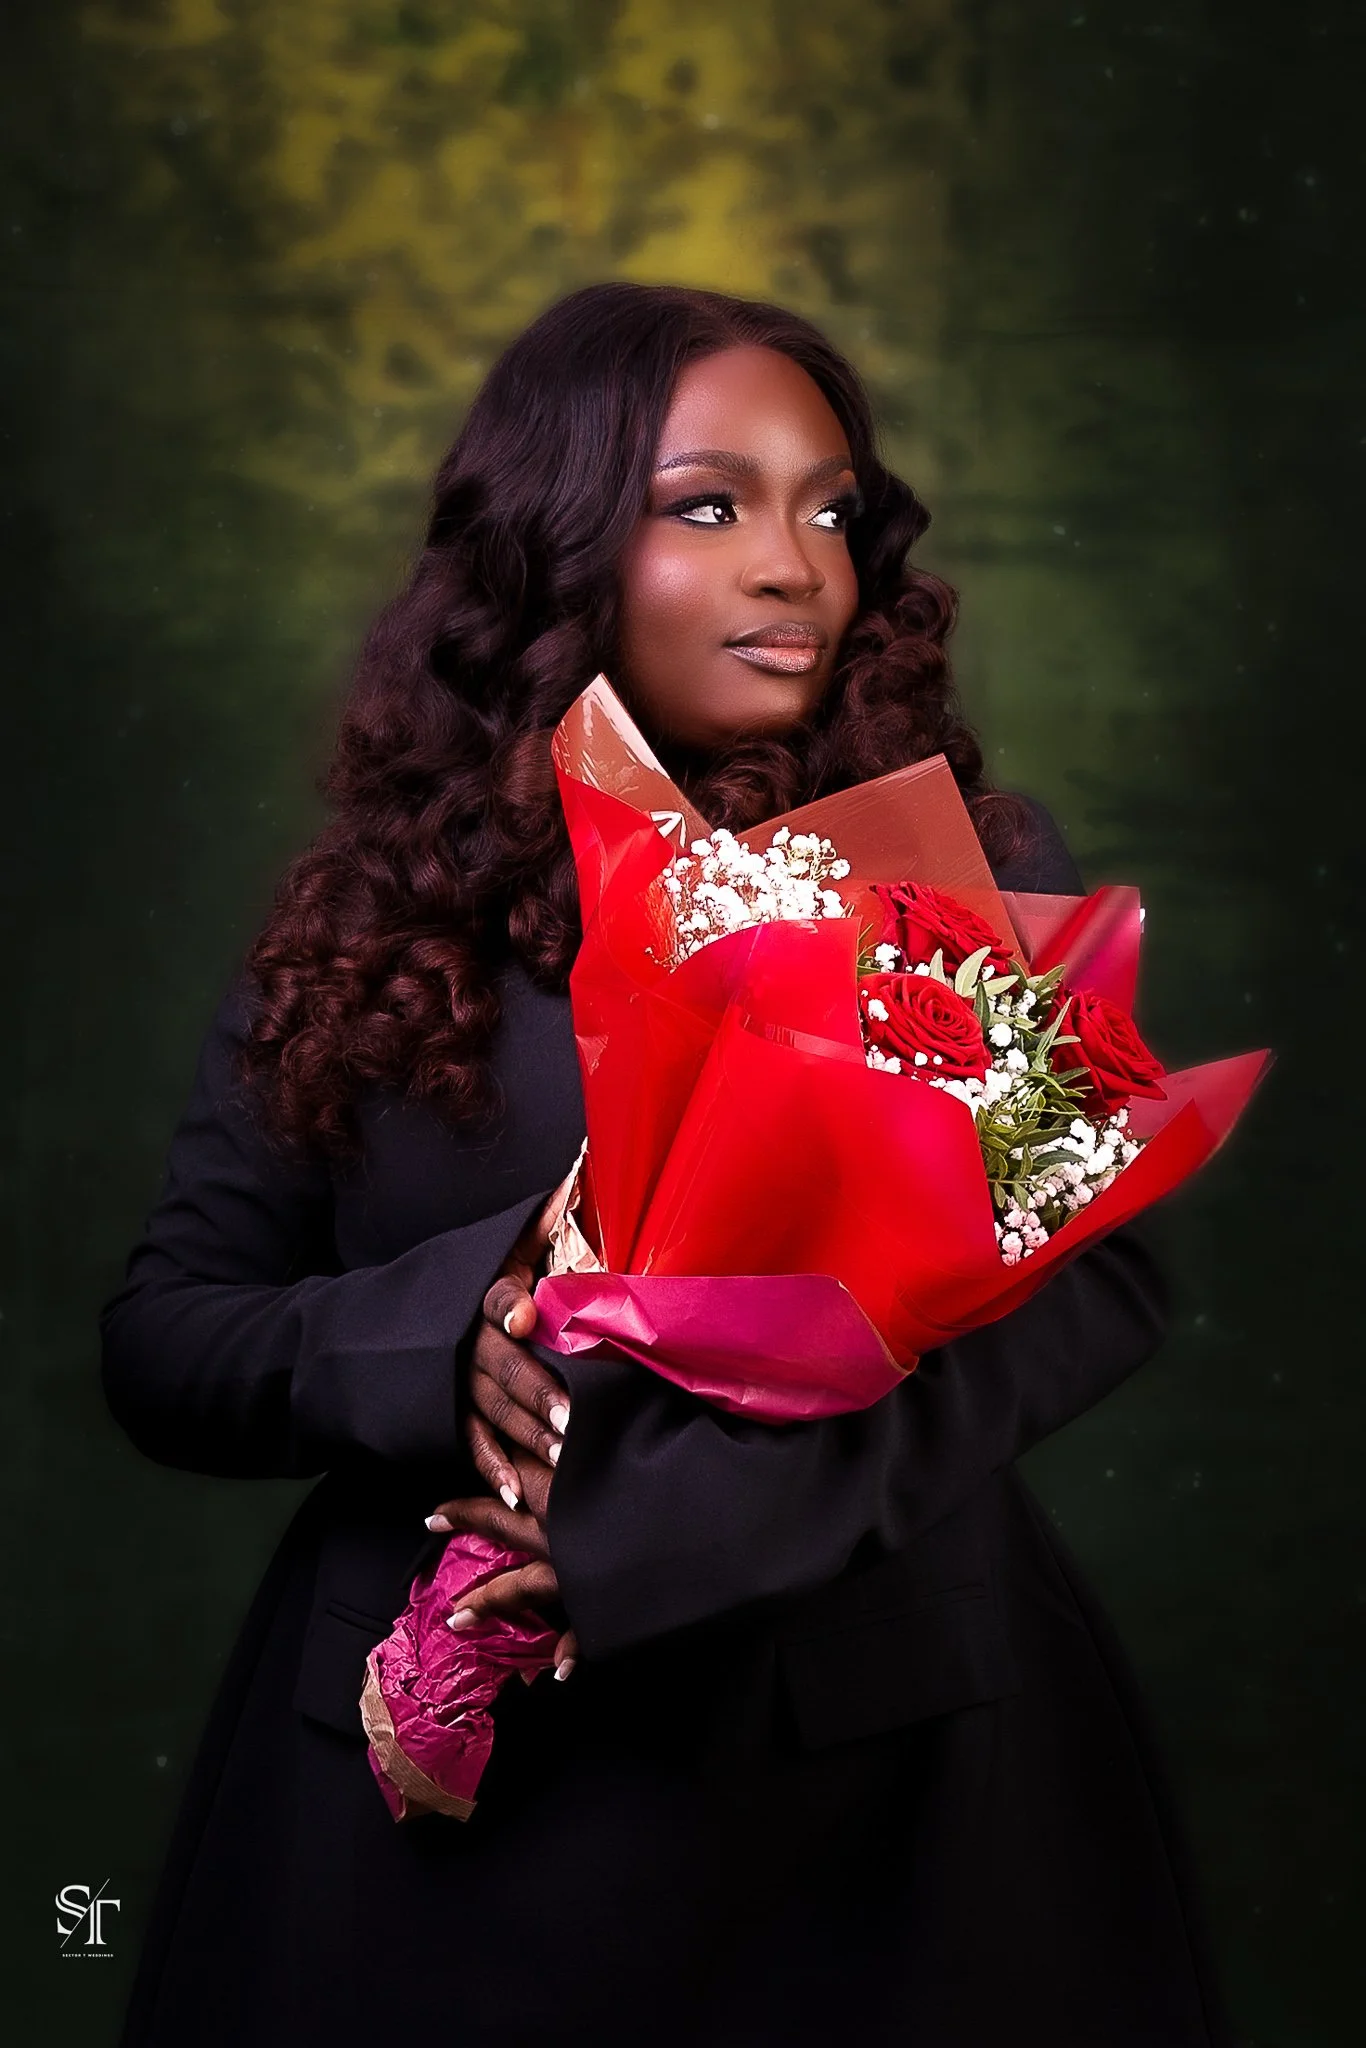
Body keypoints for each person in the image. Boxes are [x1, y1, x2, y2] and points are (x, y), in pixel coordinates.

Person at [100, 282, 1234, 2046]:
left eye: (829, 508)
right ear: (553, 545)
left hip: (879, 1777)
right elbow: (167, 1341)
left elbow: (1091, 1279)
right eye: (708, 505)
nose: (795, 564)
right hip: (432, 1811)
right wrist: (446, 1327)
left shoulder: (955, 872)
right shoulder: (361, 926)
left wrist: (668, 1539)